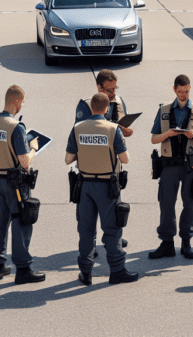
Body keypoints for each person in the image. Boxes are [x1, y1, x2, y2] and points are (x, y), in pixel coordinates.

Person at [65, 93, 138, 285]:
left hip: (85, 185)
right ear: (106, 109)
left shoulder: (77, 128)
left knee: (86, 230)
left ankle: (86, 272)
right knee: (112, 230)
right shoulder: (113, 129)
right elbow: (125, 159)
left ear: (91, 107)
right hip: (107, 186)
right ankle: (117, 271)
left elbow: (68, 159)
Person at [0, 85, 45, 284]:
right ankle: (23, 269)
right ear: (17, 101)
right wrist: (33, 148)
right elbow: (24, 162)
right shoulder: (16, 127)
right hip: (16, 184)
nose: (22, 106)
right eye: (22, 102)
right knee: (21, 222)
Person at [149, 75, 193, 260]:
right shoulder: (164, 110)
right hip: (169, 164)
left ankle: (186, 242)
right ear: (174, 89)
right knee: (166, 203)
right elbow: (153, 139)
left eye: (186, 91)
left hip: (191, 165)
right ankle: (167, 243)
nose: (183, 95)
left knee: (190, 203)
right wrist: (168, 134)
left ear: (190, 88)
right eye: (180, 91)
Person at [75, 69, 133, 249]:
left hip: (113, 166)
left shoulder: (119, 102)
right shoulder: (86, 105)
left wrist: (126, 131)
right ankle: (90, 243)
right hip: (91, 167)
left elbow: (122, 128)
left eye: (115, 88)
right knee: (88, 212)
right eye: (109, 90)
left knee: (115, 207)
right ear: (99, 87)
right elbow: (79, 132)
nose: (113, 93)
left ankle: (114, 239)